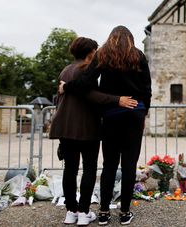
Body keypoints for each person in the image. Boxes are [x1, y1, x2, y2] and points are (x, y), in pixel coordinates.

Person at [59, 26, 151, 225]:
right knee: (129, 165)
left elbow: (86, 82)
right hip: (135, 113)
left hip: (112, 114)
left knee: (109, 164)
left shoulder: (103, 54)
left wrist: (66, 86)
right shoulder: (139, 55)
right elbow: (147, 89)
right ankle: (125, 212)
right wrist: (143, 112)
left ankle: (103, 212)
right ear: (131, 39)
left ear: (111, 38)